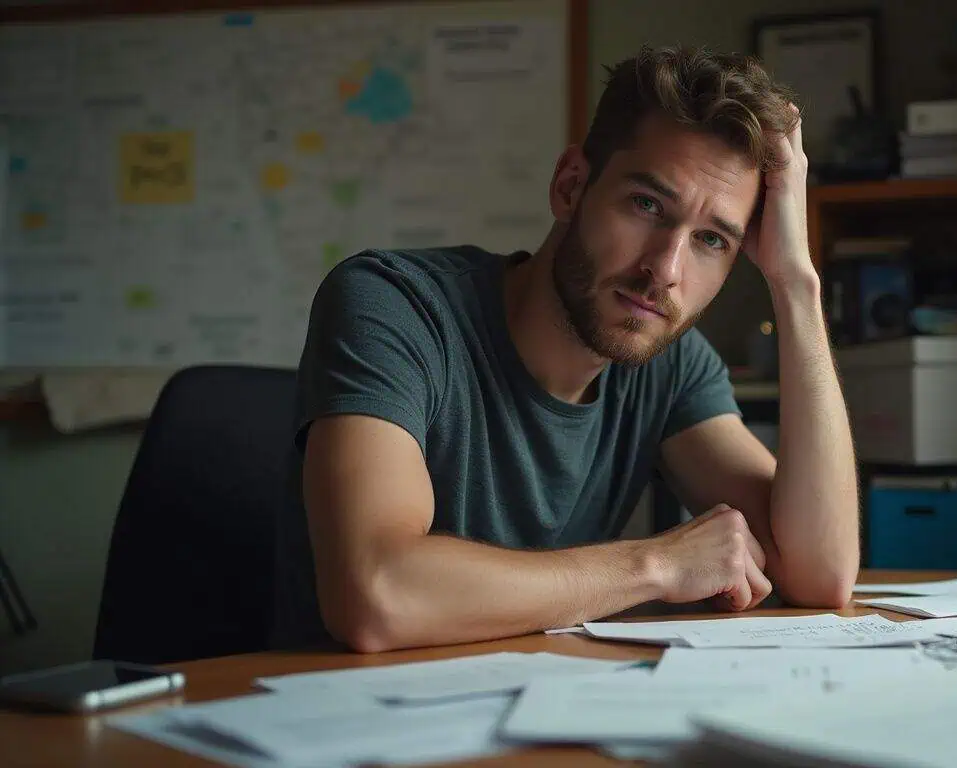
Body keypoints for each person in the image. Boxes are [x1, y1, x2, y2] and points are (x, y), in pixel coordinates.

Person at [271, 45, 859, 653]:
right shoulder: (394, 306)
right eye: (647, 205)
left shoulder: (668, 362)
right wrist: (655, 566)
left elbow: (820, 573)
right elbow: (377, 596)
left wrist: (796, 285)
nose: (665, 270)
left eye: (711, 240)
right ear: (570, 186)